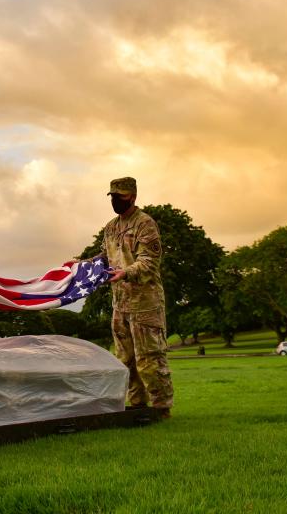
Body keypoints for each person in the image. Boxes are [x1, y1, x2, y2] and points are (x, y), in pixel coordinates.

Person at [103, 177, 174, 416]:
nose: (115, 200)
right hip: (120, 304)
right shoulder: (111, 227)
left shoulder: (145, 224)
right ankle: (138, 407)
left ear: (132, 196)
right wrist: (79, 266)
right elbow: (105, 258)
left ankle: (161, 408)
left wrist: (126, 272)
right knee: (125, 360)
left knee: (150, 359)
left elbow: (149, 261)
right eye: (112, 196)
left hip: (145, 304)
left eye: (120, 196)